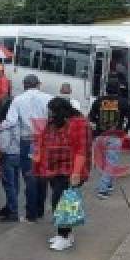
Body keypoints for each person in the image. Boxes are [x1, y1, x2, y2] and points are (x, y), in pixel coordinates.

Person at [34, 97, 90, 251]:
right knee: (64, 202)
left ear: (62, 111)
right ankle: (66, 235)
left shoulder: (79, 123)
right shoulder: (53, 123)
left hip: (70, 170)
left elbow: (82, 149)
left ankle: (63, 236)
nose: (50, 115)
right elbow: (43, 139)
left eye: (53, 112)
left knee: (61, 203)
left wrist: (76, 172)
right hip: (54, 169)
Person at [3, 74, 54, 223]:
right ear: (39, 84)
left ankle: (31, 214)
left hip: (28, 142)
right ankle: (40, 210)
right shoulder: (49, 98)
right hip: (44, 142)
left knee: (30, 177)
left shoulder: (18, 100)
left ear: (25, 85)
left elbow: (11, 121)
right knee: (43, 176)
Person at [88, 80, 130, 200]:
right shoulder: (123, 102)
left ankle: (109, 184)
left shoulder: (98, 101)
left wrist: (94, 131)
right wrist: (125, 131)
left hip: (100, 136)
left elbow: (91, 118)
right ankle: (103, 190)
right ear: (118, 89)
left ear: (106, 89)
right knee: (111, 162)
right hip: (115, 136)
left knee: (103, 163)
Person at [0, 94, 22, 222]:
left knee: (8, 184)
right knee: (14, 184)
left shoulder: (6, 124)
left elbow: (3, 146)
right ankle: (9, 207)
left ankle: (12, 211)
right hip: (18, 154)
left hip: (8, 156)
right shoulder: (19, 121)